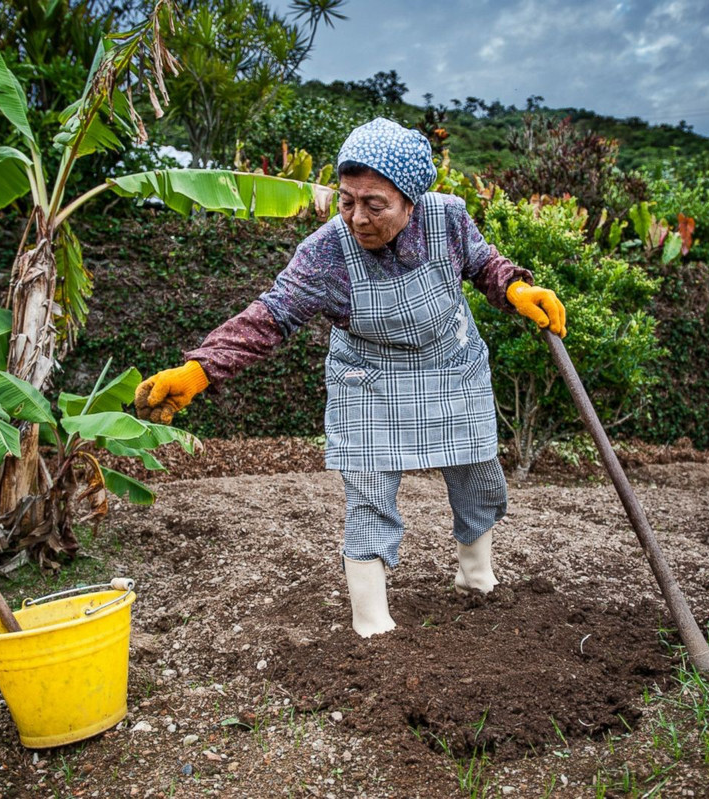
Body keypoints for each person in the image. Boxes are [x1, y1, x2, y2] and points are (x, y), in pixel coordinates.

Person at [135, 118, 565, 638]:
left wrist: (515, 289)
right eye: (347, 200)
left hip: (451, 367)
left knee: (478, 473)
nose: (357, 217)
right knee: (368, 490)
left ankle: (476, 579)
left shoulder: (448, 218)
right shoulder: (327, 252)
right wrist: (201, 369)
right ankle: (372, 624)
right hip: (369, 381)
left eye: (374, 204)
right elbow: (273, 314)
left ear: (411, 202)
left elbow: (482, 264)